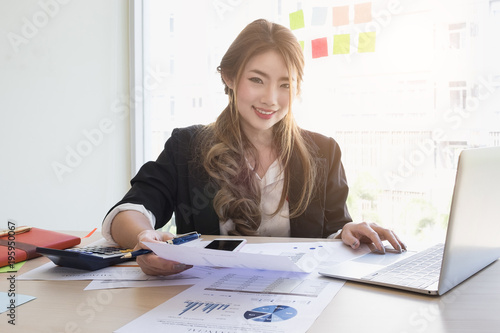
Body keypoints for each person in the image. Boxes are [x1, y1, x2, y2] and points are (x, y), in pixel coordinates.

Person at [102, 19, 406, 276]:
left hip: (295, 306)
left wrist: (348, 232)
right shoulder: (187, 146)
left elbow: (334, 231)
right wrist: (143, 237)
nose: (271, 99)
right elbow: (131, 209)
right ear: (230, 77)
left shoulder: (324, 152)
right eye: (257, 80)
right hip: (206, 299)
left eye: (285, 84)